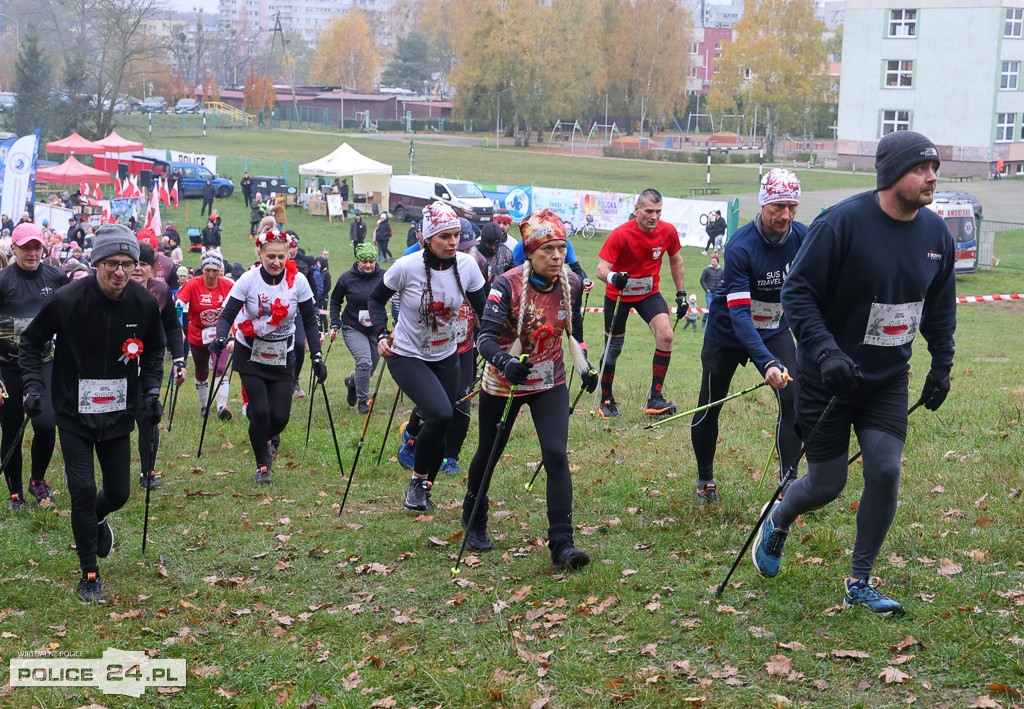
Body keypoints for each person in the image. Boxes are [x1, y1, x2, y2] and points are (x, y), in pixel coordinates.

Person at [753, 131, 957, 616]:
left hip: (886, 379)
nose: (931, 177)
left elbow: (941, 309)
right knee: (826, 484)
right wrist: (825, 353)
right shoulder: (840, 224)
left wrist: (942, 366)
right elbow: (796, 295)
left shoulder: (936, 235)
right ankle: (779, 517)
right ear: (891, 175)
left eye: (934, 169)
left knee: (885, 470)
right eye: (920, 169)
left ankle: (859, 580)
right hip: (829, 379)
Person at [20, 224, 164, 603]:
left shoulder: (144, 303)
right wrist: (33, 387)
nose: (120, 272)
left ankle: (98, 519)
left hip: (118, 412)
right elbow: (31, 343)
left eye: (128, 264)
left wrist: (150, 391)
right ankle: (89, 574)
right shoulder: (68, 299)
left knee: (117, 493)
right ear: (96, 262)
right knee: (82, 491)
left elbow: (153, 353)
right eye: (112, 264)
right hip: (73, 411)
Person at [464, 209, 597, 570]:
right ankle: (474, 516)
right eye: (547, 250)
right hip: (504, 380)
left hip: (549, 381)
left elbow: (575, 329)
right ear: (530, 252)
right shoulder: (506, 284)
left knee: (556, 454)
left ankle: (563, 545)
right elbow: (484, 339)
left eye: (560, 249)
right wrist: (507, 363)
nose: (556, 257)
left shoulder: (569, 283)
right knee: (490, 452)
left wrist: (584, 366)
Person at [691, 168, 806, 506]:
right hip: (728, 332)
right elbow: (740, 316)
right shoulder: (741, 245)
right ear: (763, 204)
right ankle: (705, 479)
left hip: (775, 329)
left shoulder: (803, 237)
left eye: (792, 207)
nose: (785, 215)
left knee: (793, 400)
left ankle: (790, 487)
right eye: (777, 207)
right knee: (710, 405)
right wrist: (766, 362)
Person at [367, 201, 486, 511]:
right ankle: (417, 482)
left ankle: (422, 489)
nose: (452, 243)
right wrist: (381, 333)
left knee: (444, 421)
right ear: (426, 239)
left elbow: (484, 311)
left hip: (447, 354)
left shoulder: (467, 265)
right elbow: (375, 300)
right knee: (442, 413)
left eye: (456, 236)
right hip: (406, 354)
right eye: (444, 236)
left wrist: (498, 345)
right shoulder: (407, 267)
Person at [212, 228, 326, 485]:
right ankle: (263, 464)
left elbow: (309, 319)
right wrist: (221, 336)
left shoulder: (298, 281)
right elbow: (228, 314)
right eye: (270, 256)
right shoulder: (249, 280)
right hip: (250, 352)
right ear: (260, 253)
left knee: (280, 417)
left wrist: (316, 355)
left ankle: (260, 431)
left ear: (289, 255)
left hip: (281, 355)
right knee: (261, 411)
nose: (276, 262)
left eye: (281, 257)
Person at [594, 188, 687, 418]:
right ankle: (607, 398)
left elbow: (675, 260)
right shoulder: (621, 234)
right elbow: (600, 269)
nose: (654, 217)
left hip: (648, 293)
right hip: (619, 295)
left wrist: (681, 293)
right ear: (637, 210)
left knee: (666, 334)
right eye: (648, 211)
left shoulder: (667, 231)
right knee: (613, 349)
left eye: (658, 211)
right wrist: (614, 277)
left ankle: (656, 398)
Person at [0, 223, 68, 510]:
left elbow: (69, 321)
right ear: (13, 248)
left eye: (37, 246)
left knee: (45, 423)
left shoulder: (56, 277)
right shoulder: (3, 280)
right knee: (12, 428)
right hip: (8, 367)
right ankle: (16, 492)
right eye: (25, 247)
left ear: (44, 248)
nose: (31, 253)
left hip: (43, 363)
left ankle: (37, 480)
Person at [131, 242, 187, 489]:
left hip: (151, 363)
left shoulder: (161, 291)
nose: (137, 269)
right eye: (133, 263)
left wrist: (179, 359)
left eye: (143, 264)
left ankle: (148, 473)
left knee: (148, 416)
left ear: (151, 268)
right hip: (118, 366)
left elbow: (173, 326)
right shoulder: (114, 288)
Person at [176, 252, 236, 421]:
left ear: (220, 270)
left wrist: (232, 331)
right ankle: (204, 406)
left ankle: (221, 407)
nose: (211, 274)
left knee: (220, 368)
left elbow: (236, 307)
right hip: (198, 334)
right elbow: (178, 304)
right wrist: (178, 322)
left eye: (215, 271)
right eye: (208, 270)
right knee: (201, 371)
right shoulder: (192, 284)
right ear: (202, 268)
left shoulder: (227, 285)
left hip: (220, 333)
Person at [330, 242, 384, 414]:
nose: (368, 265)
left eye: (371, 261)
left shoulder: (384, 276)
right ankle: (364, 401)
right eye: (364, 261)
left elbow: (398, 296)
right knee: (364, 363)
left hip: (376, 328)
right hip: (353, 326)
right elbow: (335, 302)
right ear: (358, 262)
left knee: (370, 368)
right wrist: (334, 323)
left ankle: (352, 382)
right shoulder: (346, 278)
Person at [287, 234, 320, 398]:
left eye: (294, 247)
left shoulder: (306, 261)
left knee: (299, 344)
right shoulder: (276, 262)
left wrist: (314, 308)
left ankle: (295, 380)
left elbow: (313, 285)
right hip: (279, 311)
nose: (291, 250)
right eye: (289, 246)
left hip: (300, 311)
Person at [699, 253, 723, 327]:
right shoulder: (707, 270)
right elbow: (702, 280)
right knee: (709, 307)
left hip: (717, 292)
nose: (713, 262)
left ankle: (713, 323)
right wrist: (706, 289)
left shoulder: (721, 270)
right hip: (709, 292)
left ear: (717, 262)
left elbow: (723, 280)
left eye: (714, 261)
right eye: (712, 261)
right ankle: (704, 320)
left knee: (716, 308)